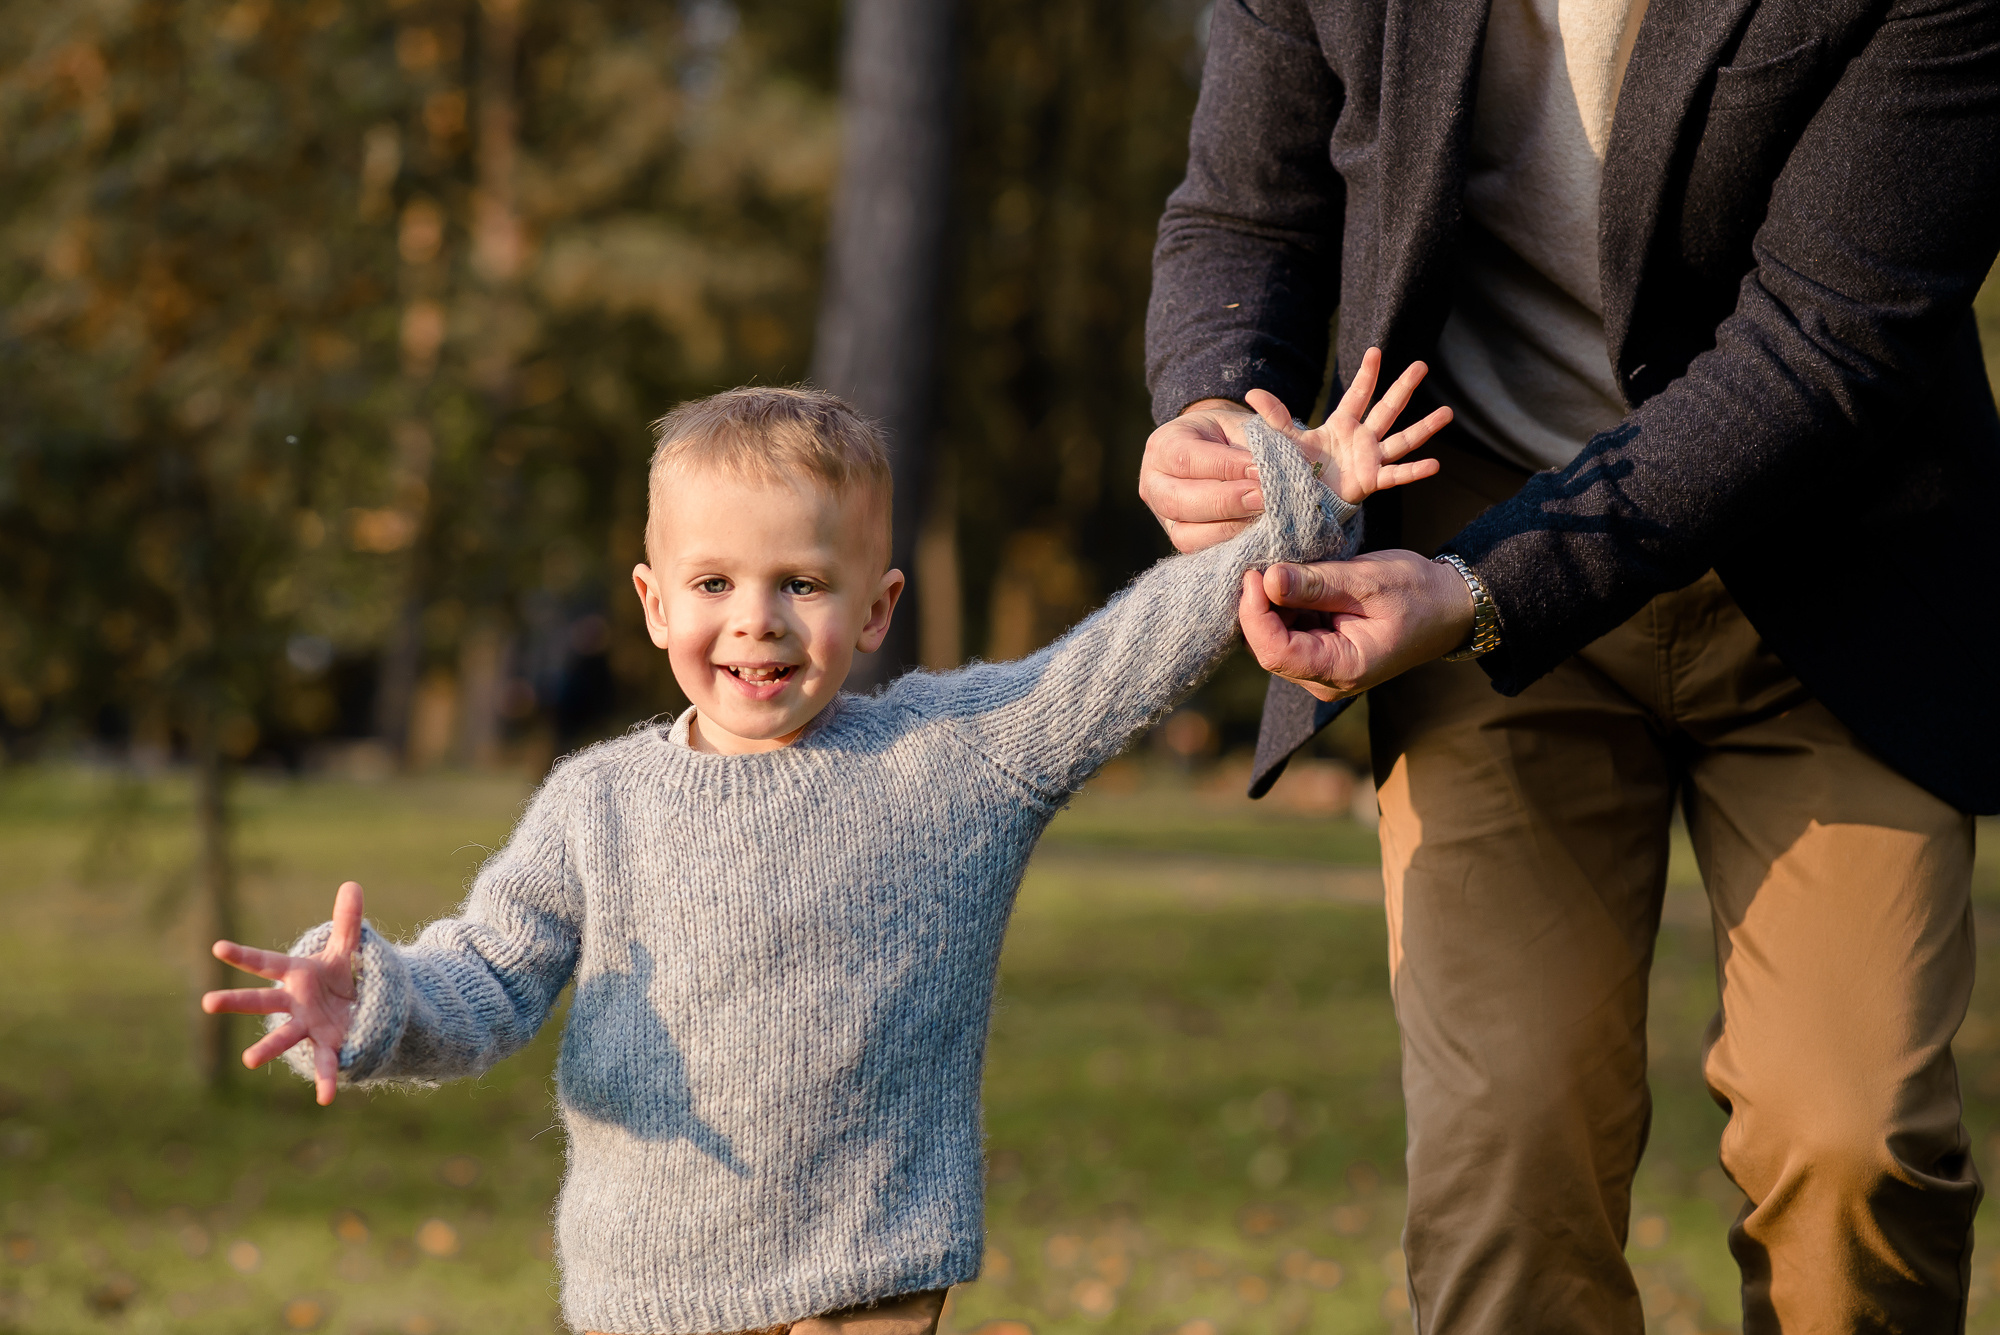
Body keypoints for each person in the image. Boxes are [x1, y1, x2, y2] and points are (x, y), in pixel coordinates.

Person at [200, 378, 1446, 1335]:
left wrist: (1297, 496)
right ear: (650, 603)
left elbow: (1122, 654)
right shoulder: (601, 805)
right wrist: (369, 997)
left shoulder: (954, 759)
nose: (754, 619)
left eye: (801, 582)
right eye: (714, 583)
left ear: (875, 608)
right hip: (652, 1289)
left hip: (869, 1272)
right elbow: (488, 977)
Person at [1141, 0, 2000, 1330]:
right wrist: (1215, 406)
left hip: (1828, 572)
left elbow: (1824, 347)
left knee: (1851, 1149)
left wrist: (1485, 588)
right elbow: (1247, 213)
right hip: (1470, 552)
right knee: (1510, 1175)